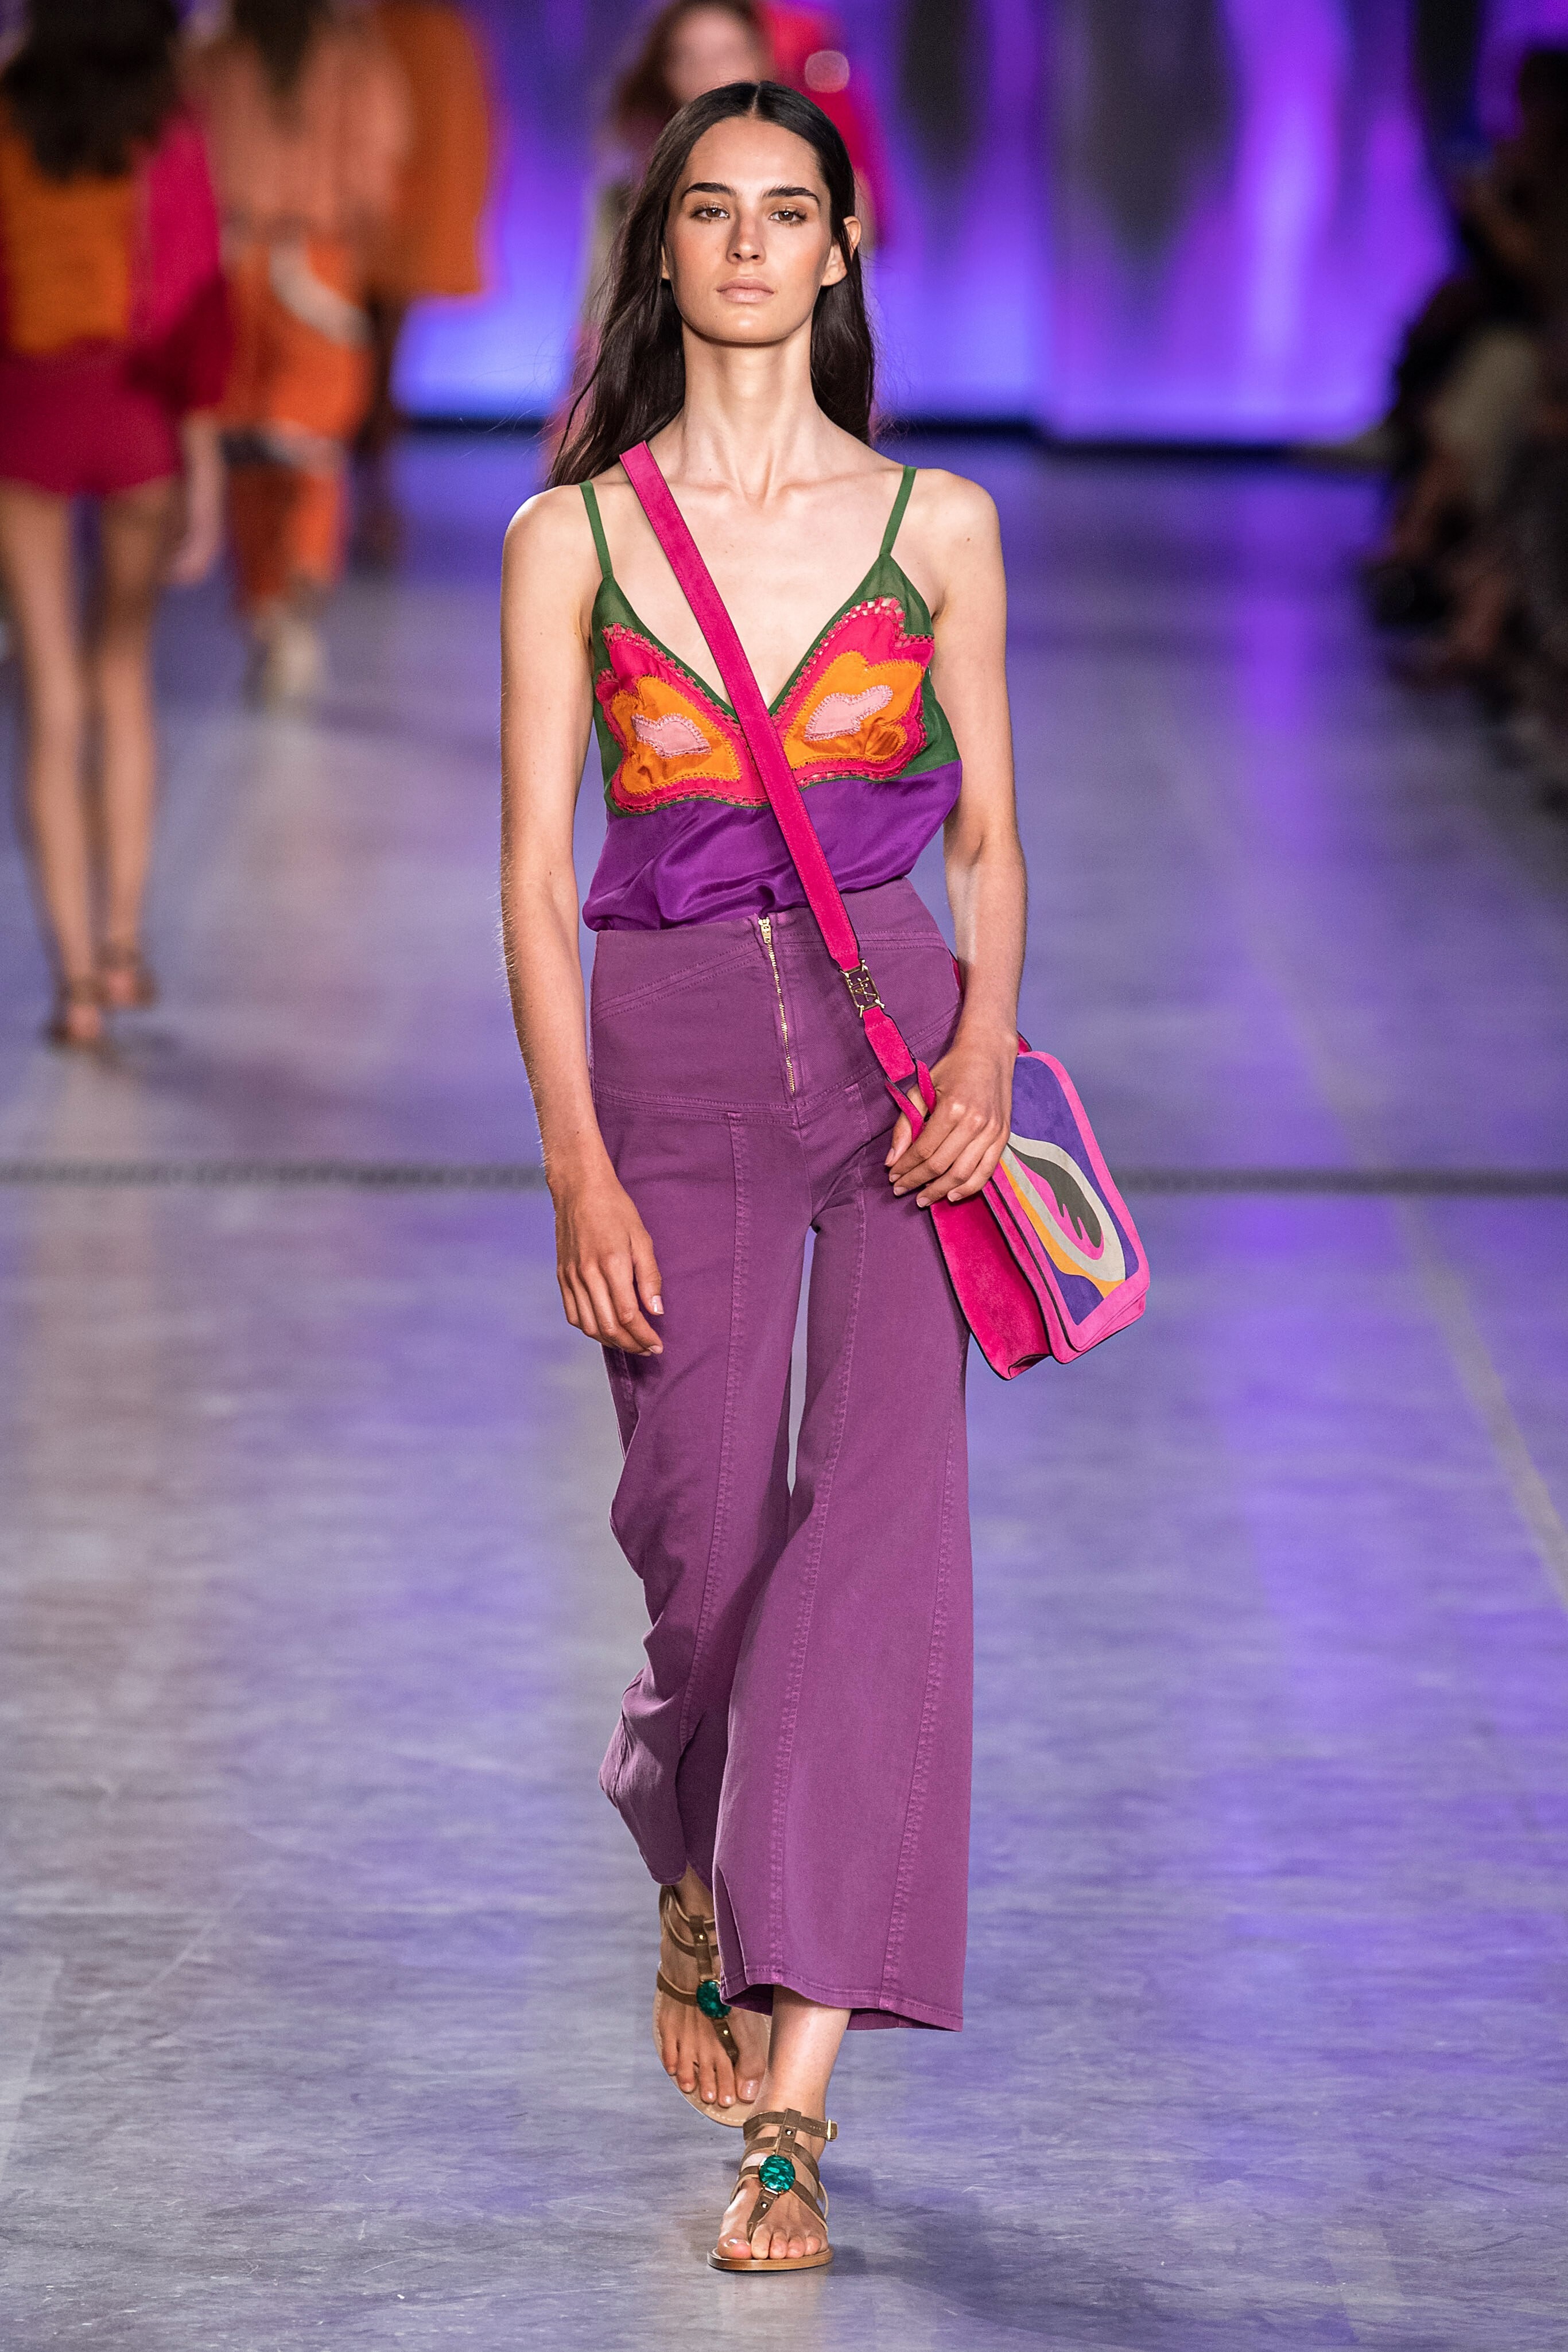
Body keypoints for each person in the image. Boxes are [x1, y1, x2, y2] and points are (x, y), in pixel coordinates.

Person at [500, 81, 1026, 2269]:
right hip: (669, 1057)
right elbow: (531, 877)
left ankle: (792, 2111)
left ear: (839, 248)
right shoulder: (574, 539)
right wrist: (573, 1164)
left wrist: (985, 1040)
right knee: (703, 1540)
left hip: (902, 1056)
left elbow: (986, 837)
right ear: (664, 250)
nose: (743, 243)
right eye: (707, 210)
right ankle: (682, 1821)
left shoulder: (939, 524)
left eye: (782, 209)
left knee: (880, 1537)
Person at [0, 0, 230, 1049]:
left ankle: (77, 988)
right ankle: (124, 945)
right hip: (137, 414)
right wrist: (204, 467)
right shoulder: (166, 125)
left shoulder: (10, 112)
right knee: (121, 673)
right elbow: (193, 301)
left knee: (49, 696)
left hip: (27, 413)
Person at [187, 0, 409, 703]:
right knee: (285, 446)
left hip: (254, 260)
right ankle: (285, 602)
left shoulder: (220, 54)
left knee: (270, 445)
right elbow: (377, 177)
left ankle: (278, 605)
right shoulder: (347, 57)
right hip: (296, 260)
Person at [355, 1, 494, 568]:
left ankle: (371, 503)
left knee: (372, 369)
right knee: (366, 369)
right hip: (362, 219)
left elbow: (462, 139)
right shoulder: (424, 33)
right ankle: (367, 504)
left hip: (377, 223)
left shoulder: (430, 34)